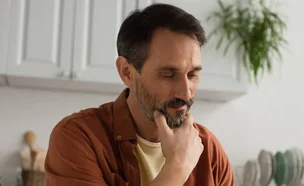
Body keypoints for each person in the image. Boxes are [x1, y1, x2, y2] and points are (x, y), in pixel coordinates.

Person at [44, 3, 234, 186]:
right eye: (168, 75)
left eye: (192, 75)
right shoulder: (79, 137)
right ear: (127, 72)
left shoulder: (208, 149)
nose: (185, 92)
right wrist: (178, 165)